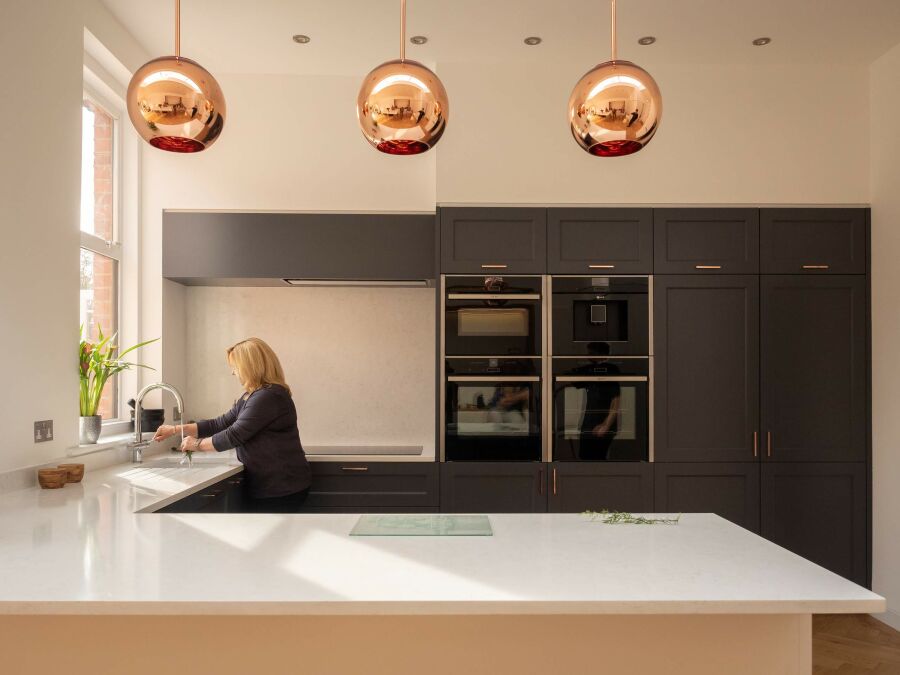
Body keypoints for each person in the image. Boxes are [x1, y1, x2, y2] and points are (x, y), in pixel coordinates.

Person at [153, 337, 312, 513]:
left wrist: (196, 445)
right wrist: (175, 429)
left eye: (235, 367)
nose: (233, 373)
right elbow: (219, 424)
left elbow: (233, 435)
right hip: (274, 486)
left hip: (282, 487)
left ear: (250, 366)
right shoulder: (251, 396)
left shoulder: (268, 396)